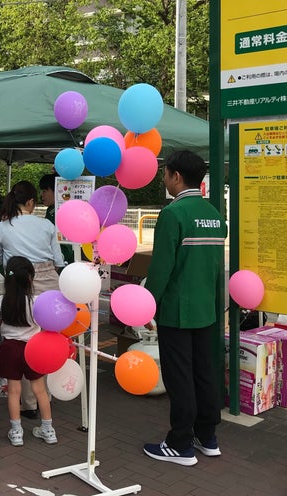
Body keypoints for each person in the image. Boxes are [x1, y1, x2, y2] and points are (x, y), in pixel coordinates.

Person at [142, 150, 226, 467]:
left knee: (180, 378)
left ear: (176, 176)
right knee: (205, 373)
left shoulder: (173, 214)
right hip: (207, 310)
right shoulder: (215, 215)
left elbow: (162, 269)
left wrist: (147, 306)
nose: (164, 179)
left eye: (165, 174)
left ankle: (179, 443)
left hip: (177, 311)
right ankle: (207, 437)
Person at [0, 256, 57, 447]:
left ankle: (16, 432)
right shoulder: (37, 301)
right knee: (40, 389)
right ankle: (48, 430)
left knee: (14, 391)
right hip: (33, 348)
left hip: (10, 348)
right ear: (30, 278)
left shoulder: (1, 301)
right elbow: (44, 323)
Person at [0, 180, 64, 295]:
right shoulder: (47, 225)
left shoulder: (1, 227)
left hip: (16, 285)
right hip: (49, 286)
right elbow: (59, 262)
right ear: (30, 202)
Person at [38, 173, 74, 265]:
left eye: (44, 191)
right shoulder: (51, 210)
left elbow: (66, 246)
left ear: (56, 190)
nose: (41, 195)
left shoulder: (65, 212)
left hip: (64, 264)